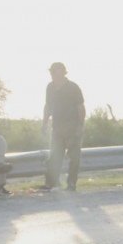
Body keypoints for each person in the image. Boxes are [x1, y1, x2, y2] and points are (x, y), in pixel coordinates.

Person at [41, 62, 85, 191]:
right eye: (51, 71)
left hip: (72, 126)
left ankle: (71, 183)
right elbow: (47, 106)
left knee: (74, 157)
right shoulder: (50, 87)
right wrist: (44, 123)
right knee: (55, 156)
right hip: (57, 126)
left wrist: (80, 126)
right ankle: (52, 183)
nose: (52, 74)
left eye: (55, 71)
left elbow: (81, 107)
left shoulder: (73, 87)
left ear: (63, 72)